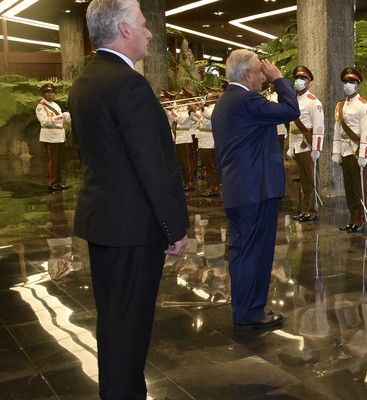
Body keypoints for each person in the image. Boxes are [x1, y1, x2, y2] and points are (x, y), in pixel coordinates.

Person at [68, 0, 190, 398]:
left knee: (115, 323)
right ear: (123, 30)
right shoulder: (128, 83)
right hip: (133, 228)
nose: (150, 32)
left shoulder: (87, 80)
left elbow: (91, 153)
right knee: (129, 328)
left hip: (105, 220)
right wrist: (175, 227)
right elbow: (152, 164)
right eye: (143, 23)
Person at [211, 49, 300, 330]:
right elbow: (290, 111)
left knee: (241, 251)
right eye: (259, 72)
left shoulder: (225, 102)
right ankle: (251, 312)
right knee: (255, 252)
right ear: (247, 74)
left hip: (239, 188)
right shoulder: (246, 99)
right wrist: (279, 79)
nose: (263, 76)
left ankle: (245, 308)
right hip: (255, 190)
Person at [332, 67, 367, 234]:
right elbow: (337, 129)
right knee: (349, 189)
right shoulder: (340, 105)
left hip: (357, 152)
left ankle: (360, 221)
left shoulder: (364, 107)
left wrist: (364, 154)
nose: (348, 84)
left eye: (352, 82)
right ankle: (352, 219)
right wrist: (336, 151)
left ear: (358, 85)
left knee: (360, 189)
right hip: (345, 151)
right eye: (346, 82)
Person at [287, 66, 324, 222]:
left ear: (309, 82)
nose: (299, 81)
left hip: (307, 145)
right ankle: (306, 209)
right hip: (296, 143)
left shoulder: (314, 102)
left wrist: (316, 148)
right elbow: (291, 124)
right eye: (297, 78)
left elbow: (319, 127)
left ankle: (312, 210)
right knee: (303, 179)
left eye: (303, 79)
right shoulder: (294, 100)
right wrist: (290, 145)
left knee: (311, 179)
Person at [36, 83, 71, 192]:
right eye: (48, 92)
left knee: (60, 160)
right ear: (43, 94)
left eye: (52, 92)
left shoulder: (55, 105)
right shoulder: (40, 106)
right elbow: (45, 121)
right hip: (50, 136)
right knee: (53, 161)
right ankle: (52, 183)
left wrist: (67, 118)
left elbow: (61, 120)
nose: (50, 94)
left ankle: (58, 182)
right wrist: (60, 117)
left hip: (59, 135)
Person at [173, 87, 200, 192]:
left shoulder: (189, 109)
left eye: (183, 96)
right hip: (179, 136)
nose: (180, 97)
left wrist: (172, 112)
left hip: (185, 136)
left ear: (187, 97)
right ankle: (185, 182)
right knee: (181, 162)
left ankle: (189, 183)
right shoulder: (179, 108)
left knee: (187, 162)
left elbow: (180, 120)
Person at [197, 91, 221, 197]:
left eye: (209, 97)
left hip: (210, 140)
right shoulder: (207, 108)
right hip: (203, 140)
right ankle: (210, 186)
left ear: (215, 98)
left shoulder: (216, 108)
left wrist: (202, 109)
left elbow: (209, 120)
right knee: (207, 166)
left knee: (212, 166)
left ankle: (215, 188)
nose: (207, 98)